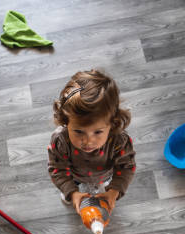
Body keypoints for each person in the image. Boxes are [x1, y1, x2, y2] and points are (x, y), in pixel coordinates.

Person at [47, 69, 136, 214]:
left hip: (105, 174)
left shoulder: (119, 140)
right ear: (65, 121)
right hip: (74, 175)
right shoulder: (60, 140)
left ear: (112, 123)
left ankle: (101, 185)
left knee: (105, 184)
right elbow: (58, 169)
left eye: (98, 132)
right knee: (70, 185)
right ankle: (72, 189)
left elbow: (126, 167)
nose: (88, 141)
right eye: (78, 131)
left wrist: (114, 191)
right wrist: (72, 193)